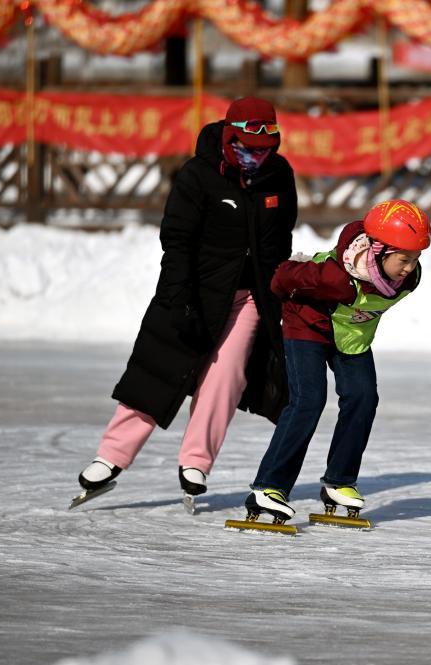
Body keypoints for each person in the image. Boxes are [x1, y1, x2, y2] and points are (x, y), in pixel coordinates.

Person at [72, 97, 297, 509]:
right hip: (192, 292)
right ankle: (111, 456)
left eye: (266, 150)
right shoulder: (198, 175)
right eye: (249, 148)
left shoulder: (279, 176)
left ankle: (196, 461)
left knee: (226, 374)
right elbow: (176, 242)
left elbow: (281, 239)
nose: (257, 158)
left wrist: (280, 290)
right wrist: (182, 301)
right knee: (160, 369)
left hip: (250, 299)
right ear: (230, 139)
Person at [242, 199, 431, 523]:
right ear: (379, 250)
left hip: (351, 337)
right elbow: (282, 278)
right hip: (308, 325)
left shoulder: (408, 279)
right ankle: (269, 487)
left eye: (415, 259)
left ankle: (339, 480)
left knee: (363, 397)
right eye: (403, 259)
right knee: (308, 400)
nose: (409, 268)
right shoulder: (333, 277)